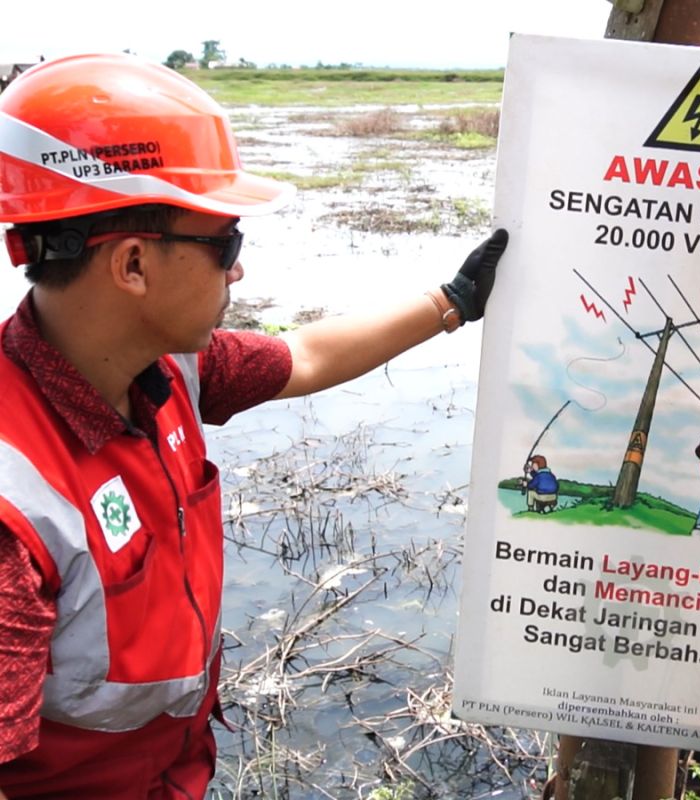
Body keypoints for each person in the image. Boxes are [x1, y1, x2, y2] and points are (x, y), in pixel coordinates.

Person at [0, 53, 507, 798]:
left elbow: (304, 356)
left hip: (170, 772)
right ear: (134, 264)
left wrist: (454, 300)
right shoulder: (16, 509)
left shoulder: (165, 371)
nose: (237, 273)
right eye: (225, 244)